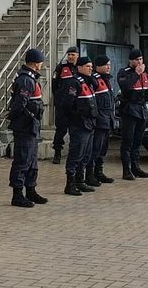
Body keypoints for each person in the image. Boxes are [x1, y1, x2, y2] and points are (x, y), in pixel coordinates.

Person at [6, 48, 49, 208]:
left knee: (32, 160)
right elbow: (20, 104)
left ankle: (31, 189)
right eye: (40, 62)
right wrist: (16, 116)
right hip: (25, 125)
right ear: (36, 63)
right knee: (23, 160)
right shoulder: (26, 80)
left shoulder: (30, 77)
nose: (41, 65)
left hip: (31, 125)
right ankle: (17, 194)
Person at [62, 55, 97, 196]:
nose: (90, 69)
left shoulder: (88, 82)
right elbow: (68, 105)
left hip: (89, 124)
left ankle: (80, 181)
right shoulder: (74, 82)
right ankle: (70, 184)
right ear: (80, 68)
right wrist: (78, 118)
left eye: (91, 67)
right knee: (76, 154)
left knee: (85, 155)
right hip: (79, 125)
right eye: (88, 66)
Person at [117, 50, 148, 181]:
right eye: (137, 59)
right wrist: (136, 74)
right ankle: (126, 170)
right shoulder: (124, 72)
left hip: (142, 109)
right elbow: (125, 87)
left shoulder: (145, 74)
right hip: (130, 110)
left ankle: (136, 167)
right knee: (128, 141)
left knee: (137, 142)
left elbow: (146, 91)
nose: (139, 62)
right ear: (130, 61)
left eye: (141, 59)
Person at [89, 56, 117, 186]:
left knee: (103, 149)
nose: (108, 67)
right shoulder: (94, 80)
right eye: (106, 65)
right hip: (99, 121)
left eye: (109, 65)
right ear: (98, 66)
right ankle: (90, 175)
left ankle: (99, 172)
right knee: (95, 149)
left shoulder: (107, 80)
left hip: (107, 120)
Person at [49, 46, 80, 164]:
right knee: (60, 130)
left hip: (76, 107)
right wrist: (59, 99)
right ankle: (57, 153)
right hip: (62, 106)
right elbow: (54, 85)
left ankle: (73, 155)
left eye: (73, 54)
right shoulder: (61, 68)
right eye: (69, 54)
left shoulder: (80, 68)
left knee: (75, 131)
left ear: (77, 55)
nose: (71, 57)